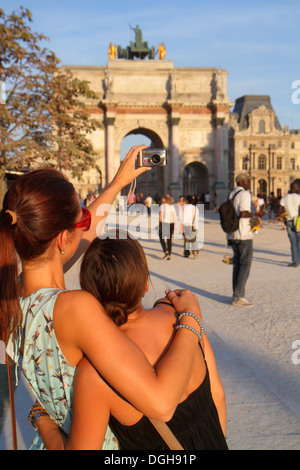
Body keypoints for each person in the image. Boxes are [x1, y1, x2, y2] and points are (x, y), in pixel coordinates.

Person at [0, 145, 203, 450]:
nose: (85, 224)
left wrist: (117, 183)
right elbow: (161, 404)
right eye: (79, 218)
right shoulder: (73, 308)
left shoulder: (13, 295)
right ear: (61, 238)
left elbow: (83, 233)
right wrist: (190, 320)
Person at [35, 234, 228, 450]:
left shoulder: (95, 372)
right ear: (145, 283)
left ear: (90, 296)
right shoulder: (182, 315)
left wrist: (40, 418)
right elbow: (217, 395)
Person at [227, 174, 255, 308]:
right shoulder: (245, 194)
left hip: (233, 234)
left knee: (237, 265)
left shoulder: (232, 194)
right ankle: (238, 297)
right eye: (248, 181)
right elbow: (243, 213)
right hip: (243, 234)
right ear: (242, 181)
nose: (250, 183)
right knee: (245, 265)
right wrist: (256, 214)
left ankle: (235, 294)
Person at [278, 181, 300, 267]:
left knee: (293, 242)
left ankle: (295, 261)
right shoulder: (298, 198)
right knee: (299, 241)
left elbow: (279, 211)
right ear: (297, 188)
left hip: (289, 221)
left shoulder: (284, 198)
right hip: (298, 221)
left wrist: (284, 216)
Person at [159, 194, 176, 260]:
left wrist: (159, 223)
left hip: (164, 223)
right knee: (169, 239)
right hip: (171, 223)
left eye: (163, 198)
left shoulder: (162, 205)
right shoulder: (172, 206)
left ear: (165, 199)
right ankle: (169, 255)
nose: (162, 199)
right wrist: (175, 225)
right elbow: (174, 216)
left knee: (161, 238)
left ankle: (166, 251)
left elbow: (161, 215)